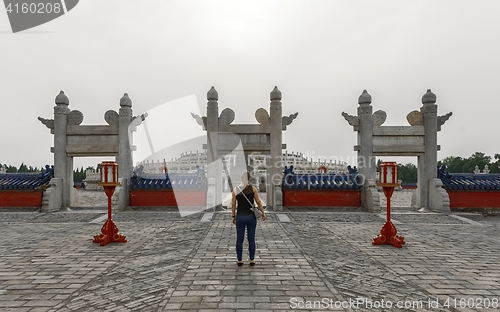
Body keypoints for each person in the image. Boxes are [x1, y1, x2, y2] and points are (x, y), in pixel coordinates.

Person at [231, 171, 266, 266]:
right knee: (251, 239)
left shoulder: (235, 190)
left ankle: (239, 260)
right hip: (251, 217)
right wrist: (263, 212)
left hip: (240, 216)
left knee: (239, 239)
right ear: (249, 179)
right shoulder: (253, 188)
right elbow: (258, 202)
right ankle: (251, 260)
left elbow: (233, 204)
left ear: (240, 178)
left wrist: (233, 216)